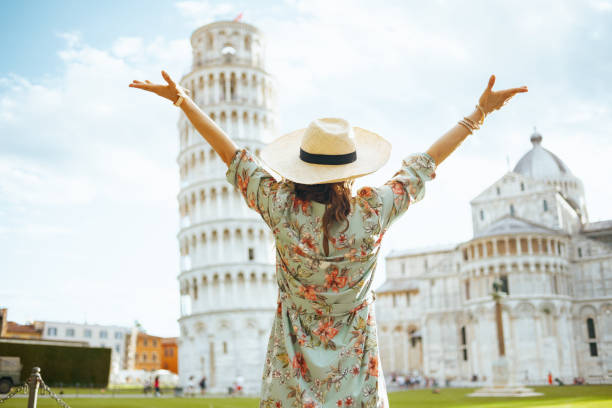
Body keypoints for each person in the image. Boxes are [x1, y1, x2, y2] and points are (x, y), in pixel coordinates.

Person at [129, 71, 527, 408]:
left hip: (289, 379)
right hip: (357, 382)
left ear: (301, 166)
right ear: (351, 171)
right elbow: (425, 164)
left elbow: (232, 155)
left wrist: (183, 100)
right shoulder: (372, 212)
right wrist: (479, 114)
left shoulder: (281, 208)